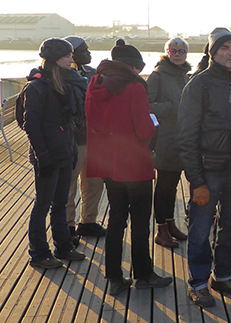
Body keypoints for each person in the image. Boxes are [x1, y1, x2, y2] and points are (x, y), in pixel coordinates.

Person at [178, 28, 231, 308]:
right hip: (209, 170)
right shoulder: (198, 85)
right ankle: (199, 283)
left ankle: (222, 276)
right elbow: (186, 137)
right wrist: (196, 180)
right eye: (225, 48)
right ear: (213, 53)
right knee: (200, 230)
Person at [86, 39, 172, 295]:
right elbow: (144, 129)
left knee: (116, 220)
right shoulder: (134, 87)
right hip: (134, 164)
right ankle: (144, 275)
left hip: (109, 164)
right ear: (132, 67)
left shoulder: (94, 84)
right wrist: (153, 126)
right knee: (140, 222)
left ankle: (114, 277)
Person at [24, 39, 86, 269]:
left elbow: (69, 122)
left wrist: (71, 151)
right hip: (48, 155)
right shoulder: (37, 87)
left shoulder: (68, 85)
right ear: (55, 59)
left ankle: (64, 246)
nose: (72, 60)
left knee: (60, 202)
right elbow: (31, 125)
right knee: (43, 204)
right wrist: (43, 156)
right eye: (67, 56)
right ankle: (39, 253)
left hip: (65, 151)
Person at [147, 37, 191, 248]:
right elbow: (146, 105)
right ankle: (161, 230)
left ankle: (171, 223)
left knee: (173, 186)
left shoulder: (184, 75)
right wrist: (172, 107)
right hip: (165, 138)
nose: (178, 54)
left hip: (182, 137)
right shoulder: (158, 75)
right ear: (167, 52)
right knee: (164, 186)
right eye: (174, 51)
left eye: (182, 51)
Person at [63, 36, 105, 242]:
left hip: (95, 138)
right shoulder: (61, 75)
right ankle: (68, 226)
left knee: (95, 183)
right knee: (69, 187)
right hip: (73, 139)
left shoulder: (92, 73)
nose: (89, 54)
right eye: (85, 50)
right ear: (72, 54)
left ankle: (87, 221)